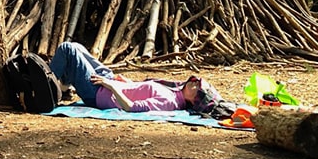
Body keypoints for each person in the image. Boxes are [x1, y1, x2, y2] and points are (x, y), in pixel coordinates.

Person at [49, 41, 227, 115]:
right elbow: (140, 91)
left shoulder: (169, 102)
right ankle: (63, 86)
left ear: (194, 100)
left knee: (67, 49)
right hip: (108, 82)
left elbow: (131, 107)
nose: (194, 82)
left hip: (98, 93)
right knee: (76, 46)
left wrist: (111, 86)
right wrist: (128, 83)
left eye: (198, 86)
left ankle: (46, 90)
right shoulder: (175, 91)